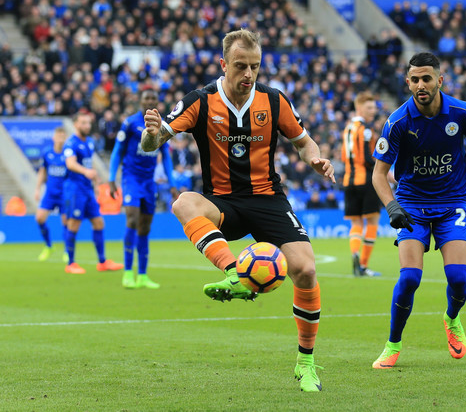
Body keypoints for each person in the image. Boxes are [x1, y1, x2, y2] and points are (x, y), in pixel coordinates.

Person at [140, 29, 335, 392]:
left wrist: (316, 159)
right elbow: (153, 142)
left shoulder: (274, 101)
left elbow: (303, 141)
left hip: (267, 199)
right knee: (184, 201)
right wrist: (151, 133)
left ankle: (305, 364)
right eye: (241, 66)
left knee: (306, 270)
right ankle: (236, 273)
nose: (249, 75)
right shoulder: (200, 101)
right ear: (223, 64)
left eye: (255, 67)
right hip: (223, 203)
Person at [370, 52, 466, 369]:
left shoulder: (462, 113)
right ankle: (393, 344)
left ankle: (451, 318)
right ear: (408, 83)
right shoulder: (398, 121)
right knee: (410, 278)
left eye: (426, 78)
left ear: (440, 80)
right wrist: (392, 205)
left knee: (457, 277)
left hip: (453, 202)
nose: (420, 85)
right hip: (412, 203)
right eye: (414, 80)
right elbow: (377, 173)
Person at [109, 88, 178, 289]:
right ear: (140, 102)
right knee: (132, 218)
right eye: (146, 98)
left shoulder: (162, 126)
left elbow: (165, 157)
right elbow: (117, 152)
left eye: (153, 98)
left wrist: (172, 184)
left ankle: (143, 275)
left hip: (149, 182)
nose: (149, 101)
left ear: (158, 102)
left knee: (145, 227)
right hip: (131, 179)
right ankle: (128, 272)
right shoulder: (130, 123)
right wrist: (112, 179)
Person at [63, 111, 124, 274]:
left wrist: (96, 184)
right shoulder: (71, 143)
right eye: (83, 123)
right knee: (74, 224)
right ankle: (70, 263)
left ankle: (102, 262)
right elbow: (70, 163)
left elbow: (89, 165)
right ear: (76, 124)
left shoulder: (89, 142)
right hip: (75, 189)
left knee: (99, 223)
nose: (87, 126)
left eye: (88, 123)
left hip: (87, 190)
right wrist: (85, 172)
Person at [341, 91, 382, 277]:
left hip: (348, 180)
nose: (373, 111)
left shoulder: (348, 128)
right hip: (366, 179)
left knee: (356, 223)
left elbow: (343, 156)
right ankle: (363, 266)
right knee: (372, 221)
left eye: (374, 107)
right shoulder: (365, 129)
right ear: (359, 107)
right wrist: (383, 170)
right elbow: (367, 158)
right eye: (369, 107)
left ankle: (355, 255)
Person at [34, 127, 68, 261]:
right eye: (58, 136)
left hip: (64, 193)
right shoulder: (47, 153)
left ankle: (67, 251)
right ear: (54, 138)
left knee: (66, 222)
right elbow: (42, 172)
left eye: (63, 137)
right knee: (39, 218)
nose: (60, 139)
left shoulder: (68, 153)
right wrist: (37, 189)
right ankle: (49, 246)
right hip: (50, 193)